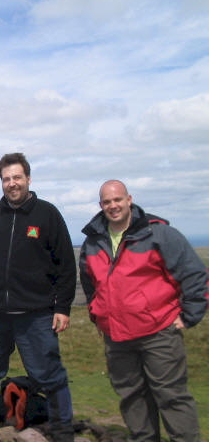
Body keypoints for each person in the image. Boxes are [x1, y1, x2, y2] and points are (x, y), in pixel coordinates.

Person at [80, 180, 207, 442]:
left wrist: (188, 315)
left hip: (158, 331)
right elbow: (90, 284)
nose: (113, 206)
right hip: (116, 337)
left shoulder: (158, 234)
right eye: (107, 202)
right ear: (101, 205)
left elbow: (195, 275)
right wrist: (98, 314)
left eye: (117, 200)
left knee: (171, 395)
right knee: (131, 395)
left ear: (129, 199)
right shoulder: (93, 242)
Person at [0, 152, 76, 440]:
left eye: (17, 177)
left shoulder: (47, 214)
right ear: (1, 182)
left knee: (49, 372)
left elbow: (65, 263)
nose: (12, 183)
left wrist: (62, 307)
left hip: (36, 313)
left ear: (28, 178)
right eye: (6, 179)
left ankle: (62, 427)